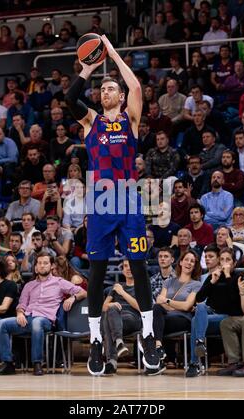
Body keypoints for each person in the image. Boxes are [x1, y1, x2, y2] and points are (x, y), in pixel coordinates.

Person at [65, 34, 160, 375]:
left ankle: (148, 336)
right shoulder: (92, 121)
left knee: (138, 267)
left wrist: (112, 51)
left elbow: (135, 86)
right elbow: (70, 96)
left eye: (110, 89)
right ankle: (94, 342)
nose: (105, 92)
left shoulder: (130, 120)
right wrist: (89, 67)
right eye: (102, 89)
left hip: (129, 201)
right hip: (101, 203)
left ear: (120, 97)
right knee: (98, 273)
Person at [0, 253, 87, 375]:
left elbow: (83, 292)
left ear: (51, 266)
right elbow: (22, 304)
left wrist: (72, 298)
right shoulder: (29, 285)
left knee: (37, 322)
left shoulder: (59, 282)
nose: (42, 266)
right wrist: (20, 313)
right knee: (0, 324)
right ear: (36, 267)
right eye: (39, 263)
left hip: (45, 320)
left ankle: (37, 363)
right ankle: (8, 363)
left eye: (45, 263)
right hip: (27, 318)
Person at [186, 248, 242, 377]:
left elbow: (235, 302)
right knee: (200, 308)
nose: (224, 263)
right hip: (210, 313)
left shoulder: (238, 277)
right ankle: (200, 342)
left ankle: (194, 364)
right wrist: (212, 282)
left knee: (195, 321)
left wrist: (228, 277)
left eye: (228, 260)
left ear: (234, 263)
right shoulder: (213, 276)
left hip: (227, 316)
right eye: (222, 260)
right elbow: (198, 299)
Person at [153, 250, 202, 369]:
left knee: (150, 327)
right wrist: (171, 304)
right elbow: (159, 301)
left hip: (183, 318)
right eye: (186, 260)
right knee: (156, 308)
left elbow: (187, 306)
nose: (189, 263)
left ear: (195, 266)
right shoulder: (168, 282)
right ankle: (158, 346)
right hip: (165, 316)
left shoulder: (196, 284)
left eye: (192, 262)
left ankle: (155, 356)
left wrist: (168, 302)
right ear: (180, 262)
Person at [102, 259, 142, 375]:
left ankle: (112, 361)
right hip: (115, 319)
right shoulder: (116, 287)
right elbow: (103, 306)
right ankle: (119, 342)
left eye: (131, 266)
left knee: (108, 321)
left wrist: (123, 292)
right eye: (125, 266)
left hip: (132, 319)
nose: (128, 268)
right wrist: (111, 304)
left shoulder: (141, 287)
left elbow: (140, 307)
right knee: (111, 311)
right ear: (123, 270)